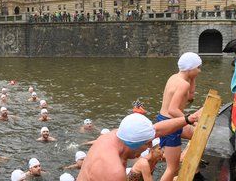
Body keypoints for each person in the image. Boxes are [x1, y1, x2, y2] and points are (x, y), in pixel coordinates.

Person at [77, 112, 198, 181]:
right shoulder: (114, 171)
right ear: (134, 143)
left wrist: (188, 119)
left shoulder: (118, 135)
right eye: (147, 143)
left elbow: (158, 129)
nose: (150, 146)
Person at [156, 52, 202, 181]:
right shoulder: (183, 84)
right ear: (190, 68)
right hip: (171, 123)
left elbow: (191, 97)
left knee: (197, 135)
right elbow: (172, 109)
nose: (200, 71)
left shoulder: (174, 77)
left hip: (165, 119)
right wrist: (190, 121)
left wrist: (192, 78)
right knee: (172, 168)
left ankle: (194, 167)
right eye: (198, 67)